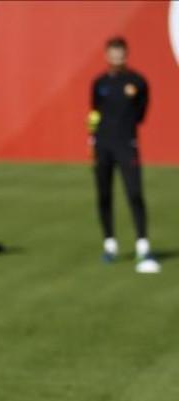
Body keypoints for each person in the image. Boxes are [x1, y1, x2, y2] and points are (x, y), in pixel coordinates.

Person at [89, 36, 158, 272]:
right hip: (103, 146)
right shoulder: (99, 83)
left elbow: (141, 114)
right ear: (107, 56)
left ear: (126, 55)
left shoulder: (137, 82)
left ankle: (142, 244)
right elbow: (94, 112)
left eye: (121, 53)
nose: (117, 57)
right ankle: (110, 244)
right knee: (104, 195)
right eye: (113, 53)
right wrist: (95, 138)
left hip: (126, 144)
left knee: (134, 193)